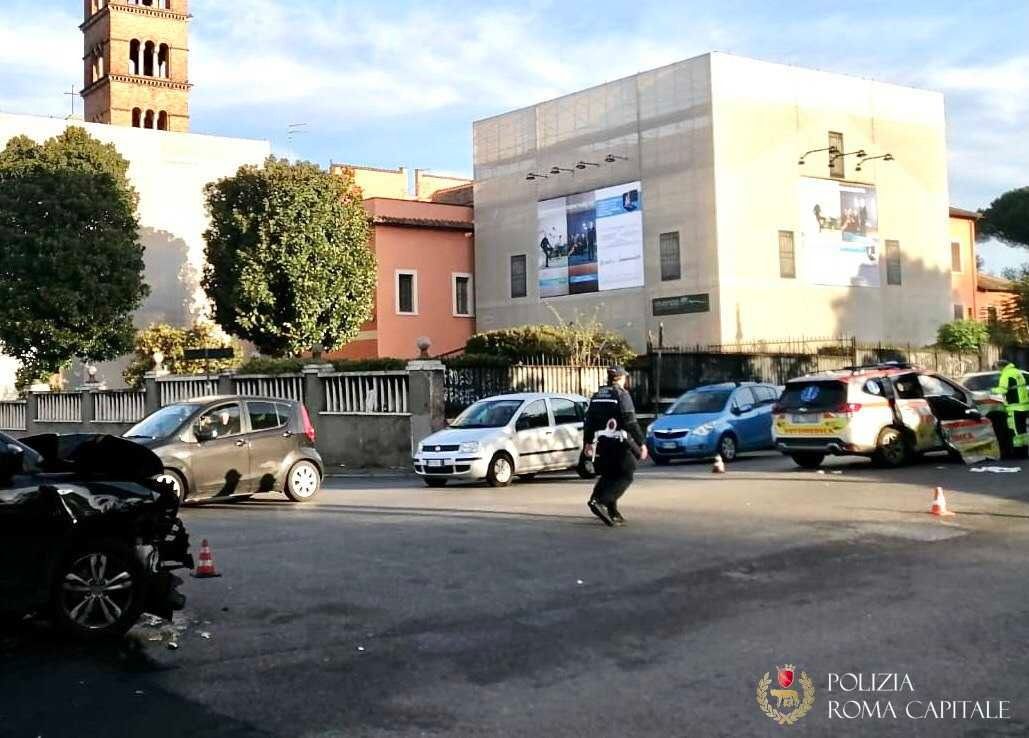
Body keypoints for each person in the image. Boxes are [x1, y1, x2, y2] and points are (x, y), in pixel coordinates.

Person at [583, 366, 647, 527]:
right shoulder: (622, 395)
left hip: (602, 443)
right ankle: (601, 502)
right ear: (621, 378)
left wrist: (588, 442)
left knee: (610, 474)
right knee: (626, 474)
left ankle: (609, 509)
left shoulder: (597, 395)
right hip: (619, 442)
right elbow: (630, 422)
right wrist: (642, 443)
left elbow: (589, 422)